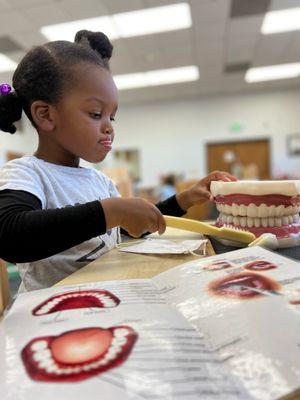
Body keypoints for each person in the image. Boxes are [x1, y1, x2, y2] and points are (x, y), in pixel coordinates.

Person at [0, 30, 236, 292]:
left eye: (112, 117)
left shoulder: (99, 181)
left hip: (106, 302)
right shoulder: (27, 173)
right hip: (51, 317)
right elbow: (10, 235)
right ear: (45, 115)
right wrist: (112, 211)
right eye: (95, 113)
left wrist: (184, 200)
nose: (109, 127)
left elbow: (128, 229)